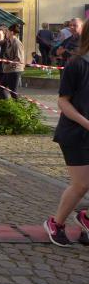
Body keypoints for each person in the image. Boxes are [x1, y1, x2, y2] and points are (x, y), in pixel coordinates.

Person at [43, 21, 89, 246]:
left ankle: (86, 218)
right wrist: (86, 123)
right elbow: (63, 102)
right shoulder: (77, 64)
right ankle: (56, 223)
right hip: (75, 133)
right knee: (81, 185)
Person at [0, 23, 24, 100]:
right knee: (1, 88)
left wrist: (8, 62)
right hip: (8, 70)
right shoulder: (9, 42)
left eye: (7, 32)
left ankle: (18, 106)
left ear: (11, 32)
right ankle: (5, 104)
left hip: (14, 70)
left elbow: (18, 59)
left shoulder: (17, 43)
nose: (6, 34)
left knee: (13, 92)